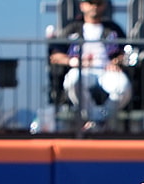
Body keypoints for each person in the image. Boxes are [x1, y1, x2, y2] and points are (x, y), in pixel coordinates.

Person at [49, 0, 131, 132]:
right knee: (72, 81)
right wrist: (73, 61)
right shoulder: (71, 28)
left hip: (107, 71)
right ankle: (94, 119)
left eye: (98, 3)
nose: (94, 7)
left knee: (123, 86)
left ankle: (99, 120)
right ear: (82, 5)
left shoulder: (113, 28)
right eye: (90, 2)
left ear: (104, 6)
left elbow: (125, 52)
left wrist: (116, 61)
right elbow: (55, 56)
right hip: (82, 70)